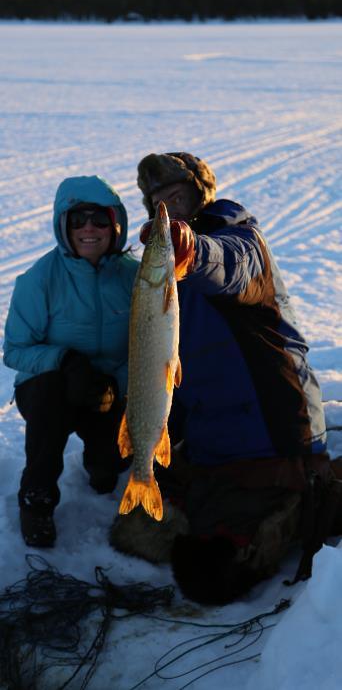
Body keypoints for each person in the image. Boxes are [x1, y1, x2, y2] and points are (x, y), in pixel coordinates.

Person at [110, 151, 342, 604]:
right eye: (158, 200)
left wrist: (192, 249)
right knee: (133, 533)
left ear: (200, 193)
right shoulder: (170, 288)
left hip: (272, 439)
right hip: (215, 446)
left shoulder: (236, 235)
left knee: (208, 576)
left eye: (177, 195)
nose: (169, 207)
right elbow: (167, 372)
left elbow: (229, 264)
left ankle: (311, 498)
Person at [3, 175, 139, 549]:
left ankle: (100, 461)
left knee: (108, 474)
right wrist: (64, 359)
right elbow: (14, 350)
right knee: (49, 396)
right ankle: (37, 501)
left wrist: (117, 384)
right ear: (64, 225)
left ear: (115, 223)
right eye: (78, 219)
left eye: (99, 218)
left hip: (108, 389)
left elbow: (147, 346)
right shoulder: (39, 279)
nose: (89, 229)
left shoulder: (134, 277)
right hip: (52, 388)